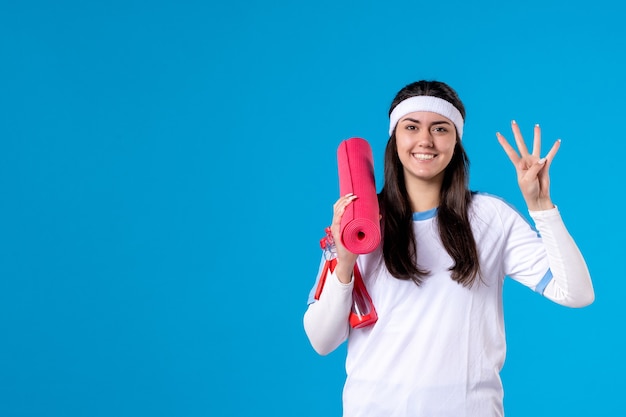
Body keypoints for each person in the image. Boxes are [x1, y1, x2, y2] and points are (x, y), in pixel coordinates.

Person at [303, 80, 594, 417]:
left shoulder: (490, 217)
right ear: (394, 138)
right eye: (411, 127)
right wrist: (345, 260)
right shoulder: (359, 225)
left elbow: (577, 293)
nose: (425, 140)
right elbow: (322, 341)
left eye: (440, 128)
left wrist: (542, 206)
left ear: (456, 142)